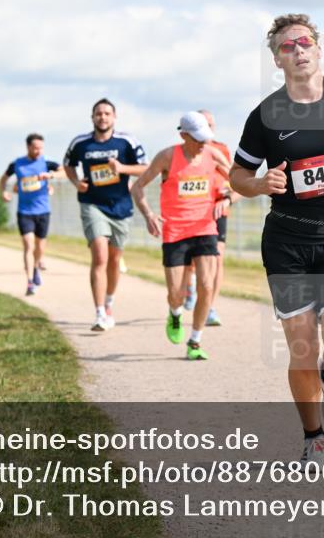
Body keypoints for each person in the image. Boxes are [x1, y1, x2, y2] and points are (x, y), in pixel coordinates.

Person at [229, 14, 324, 464]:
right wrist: (260, 185)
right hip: (287, 246)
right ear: (276, 60)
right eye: (285, 46)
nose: (296, 50)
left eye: (303, 42)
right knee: (300, 347)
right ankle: (313, 436)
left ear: (318, 49)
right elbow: (238, 174)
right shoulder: (265, 117)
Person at [131, 111, 230, 360]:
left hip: (205, 228)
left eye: (206, 138)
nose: (203, 144)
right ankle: (175, 314)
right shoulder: (167, 157)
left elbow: (239, 181)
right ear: (183, 135)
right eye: (197, 139)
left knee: (207, 286)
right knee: (176, 293)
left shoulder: (213, 154)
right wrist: (149, 215)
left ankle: (195, 342)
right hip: (175, 232)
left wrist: (227, 196)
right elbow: (138, 186)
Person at [64, 98, 148, 332]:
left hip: (121, 206)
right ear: (92, 117)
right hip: (92, 204)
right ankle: (100, 313)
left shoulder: (126, 142)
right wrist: (75, 182)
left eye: (107, 113)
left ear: (114, 117)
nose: (102, 117)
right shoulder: (81, 143)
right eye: (98, 114)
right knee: (100, 256)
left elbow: (145, 167)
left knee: (113, 259)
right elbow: (68, 165)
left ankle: (109, 300)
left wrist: (121, 169)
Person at [180, 109, 239, 326]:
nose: (209, 129)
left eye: (212, 125)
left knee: (217, 259)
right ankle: (190, 287)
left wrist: (228, 197)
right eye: (205, 124)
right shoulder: (185, 151)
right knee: (190, 261)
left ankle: (210, 307)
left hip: (217, 210)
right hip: (193, 212)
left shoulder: (220, 149)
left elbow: (234, 177)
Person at [0, 133, 62, 296]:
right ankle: (29, 282)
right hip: (24, 211)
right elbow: (3, 179)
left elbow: (65, 171)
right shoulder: (17, 164)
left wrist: (51, 175)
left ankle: (35, 268)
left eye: (41, 148)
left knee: (40, 248)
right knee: (29, 245)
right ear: (28, 147)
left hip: (43, 211)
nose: (38, 151)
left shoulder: (46, 162)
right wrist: (4, 192)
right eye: (35, 148)